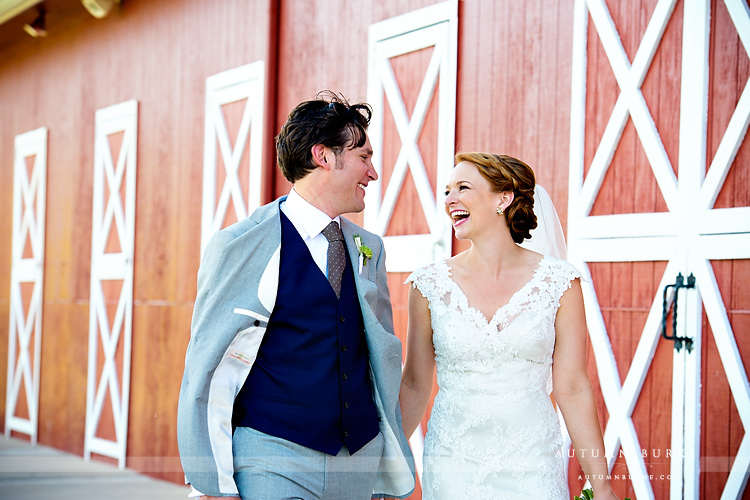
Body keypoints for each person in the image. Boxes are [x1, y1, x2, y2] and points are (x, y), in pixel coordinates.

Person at [177, 91, 415, 500]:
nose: (372, 173)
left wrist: (382, 473)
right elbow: (209, 366)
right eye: (364, 156)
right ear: (324, 156)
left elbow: (379, 363)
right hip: (273, 456)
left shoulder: (369, 249)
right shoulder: (240, 244)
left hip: (358, 463)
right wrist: (213, 483)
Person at [399, 152, 617, 500]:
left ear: (503, 199)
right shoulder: (428, 285)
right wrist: (383, 467)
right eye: (446, 191)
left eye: (463, 188)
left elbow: (573, 388)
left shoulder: (559, 282)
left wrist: (602, 487)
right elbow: (413, 384)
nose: (450, 199)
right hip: (452, 464)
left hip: (532, 465)